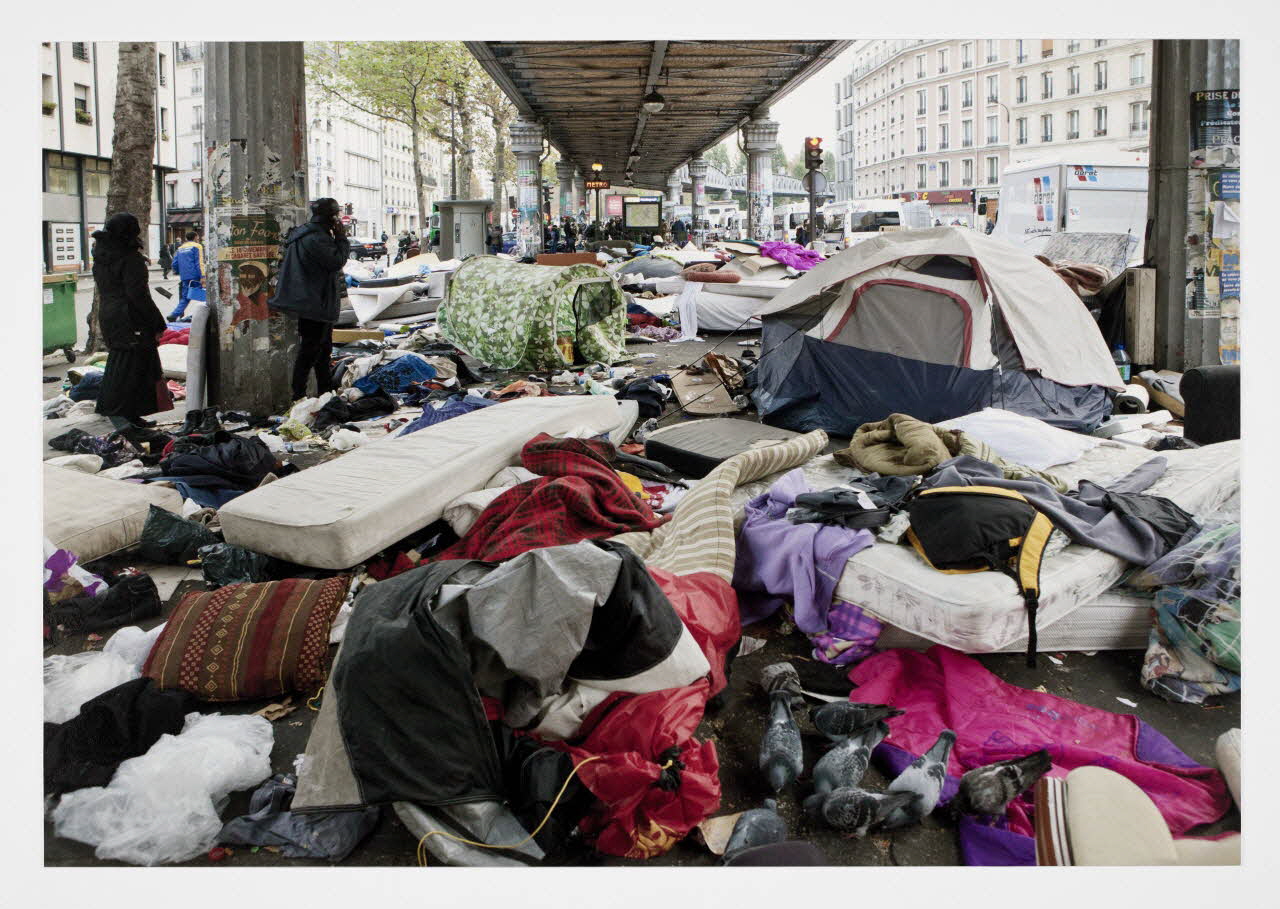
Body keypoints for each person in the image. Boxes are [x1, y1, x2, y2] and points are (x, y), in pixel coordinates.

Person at [92, 213, 171, 431]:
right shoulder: (130, 259)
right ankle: (119, 413)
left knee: (130, 362)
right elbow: (138, 296)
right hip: (131, 317)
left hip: (110, 315)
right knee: (130, 366)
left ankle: (132, 414)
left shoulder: (102, 256)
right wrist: (157, 322)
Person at [267, 198, 350, 401]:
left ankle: (326, 392)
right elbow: (337, 261)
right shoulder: (317, 238)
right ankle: (299, 396)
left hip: (310, 299)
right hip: (314, 301)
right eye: (336, 216)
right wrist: (341, 238)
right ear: (331, 217)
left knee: (322, 351)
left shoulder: (305, 234)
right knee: (311, 351)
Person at [166, 230, 203, 321]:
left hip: (185, 276)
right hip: (195, 275)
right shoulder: (197, 246)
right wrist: (203, 276)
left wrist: (181, 272)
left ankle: (174, 315)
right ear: (195, 237)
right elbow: (199, 262)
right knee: (207, 294)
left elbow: (174, 264)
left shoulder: (180, 248)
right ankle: (208, 314)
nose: (198, 239)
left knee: (186, 296)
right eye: (197, 237)